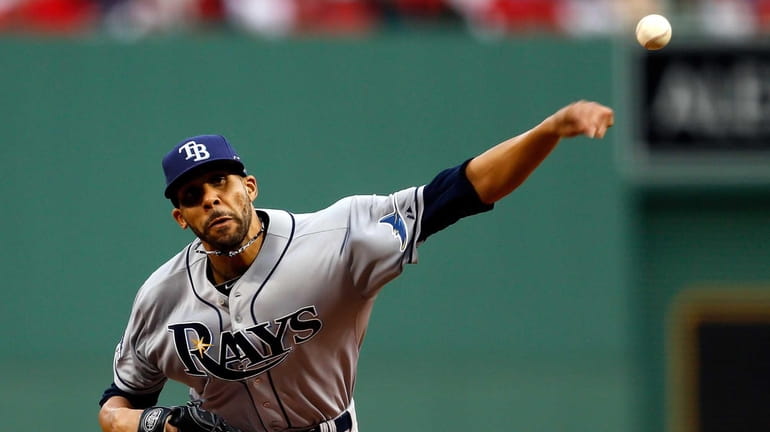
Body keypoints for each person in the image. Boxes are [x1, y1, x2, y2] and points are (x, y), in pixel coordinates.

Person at [97, 100, 614, 432]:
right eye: (193, 194)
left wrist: (549, 129)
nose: (211, 199)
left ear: (249, 187)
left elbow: (462, 190)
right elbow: (116, 407)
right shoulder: (160, 298)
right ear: (180, 217)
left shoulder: (337, 238)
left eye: (221, 183)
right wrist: (158, 424)